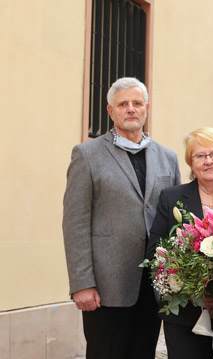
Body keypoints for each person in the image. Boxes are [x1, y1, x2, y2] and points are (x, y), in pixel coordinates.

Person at [62, 77, 181, 359]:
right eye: (123, 104)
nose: (131, 109)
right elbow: (75, 223)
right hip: (106, 286)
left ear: (146, 108)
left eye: (137, 103)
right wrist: (82, 284)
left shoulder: (168, 158)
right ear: (110, 111)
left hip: (154, 284)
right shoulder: (87, 155)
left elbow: (177, 221)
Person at [147, 127, 213, 359]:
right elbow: (154, 255)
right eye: (200, 156)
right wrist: (191, 292)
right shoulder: (172, 198)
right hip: (185, 320)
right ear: (191, 163)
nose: (208, 161)